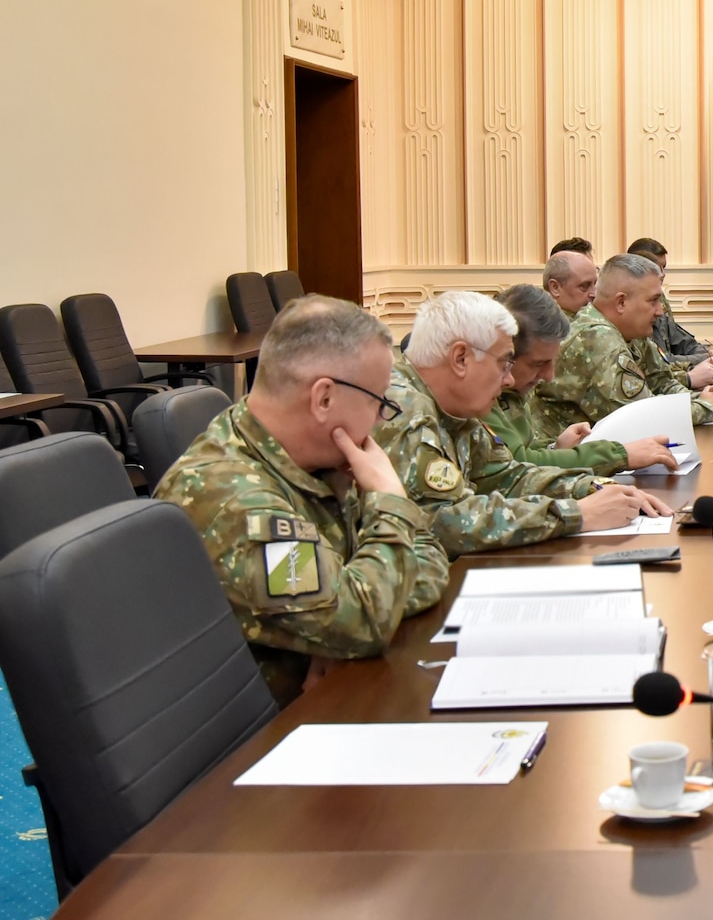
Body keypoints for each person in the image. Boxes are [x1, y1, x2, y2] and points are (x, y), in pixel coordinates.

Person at [154, 295, 449, 705]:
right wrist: (389, 499)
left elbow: (429, 558)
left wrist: (365, 606)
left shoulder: (319, 461)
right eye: (378, 402)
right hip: (270, 733)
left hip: (338, 694)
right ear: (323, 398)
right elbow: (362, 622)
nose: (382, 420)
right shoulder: (236, 501)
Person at [376, 291, 671, 557]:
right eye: (504, 363)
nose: (508, 379)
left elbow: (507, 476)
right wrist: (573, 513)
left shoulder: (454, 408)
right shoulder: (403, 410)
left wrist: (592, 487)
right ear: (461, 358)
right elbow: (443, 522)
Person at [485, 284, 680, 477]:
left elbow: (523, 451)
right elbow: (519, 468)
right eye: (538, 364)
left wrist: (555, 448)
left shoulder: (512, 390)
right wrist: (620, 455)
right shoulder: (482, 397)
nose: (549, 375)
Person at [540, 253, 713, 431]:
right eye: (653, 301)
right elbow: (640, 417)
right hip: (563, 460)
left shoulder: (632, 331)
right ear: (621, 302)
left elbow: (663, 384)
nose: (661, 310)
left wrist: (707, 398)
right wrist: (708, 407)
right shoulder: (595, 338)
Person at [627, 236, 713, 369]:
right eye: (658, 268)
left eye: (663, 268)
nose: (663, 274)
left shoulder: (659, 300)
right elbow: (660, 362)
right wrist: (707, 358)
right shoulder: (630, 315)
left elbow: (683, 342)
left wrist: (710, 354)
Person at [544, 250, 598, 318]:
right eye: (584, 286)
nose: (594, 294)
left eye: (595, 284)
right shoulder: (541, 324)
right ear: (555, 287)